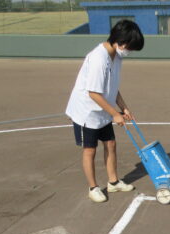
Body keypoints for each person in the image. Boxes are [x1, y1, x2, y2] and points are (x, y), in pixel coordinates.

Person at [65, 20, 144, 203]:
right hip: (87, 112)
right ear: (120, 41)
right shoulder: (98, 59)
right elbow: (93, 93)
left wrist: (123, 107)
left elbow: (112, 87)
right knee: (89, 150)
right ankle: (93, 188)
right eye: (130, 48)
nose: (129, 52)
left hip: (103, 109)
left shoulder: (116, 57)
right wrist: (115, 114)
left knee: (110, 144)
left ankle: (113, 182)